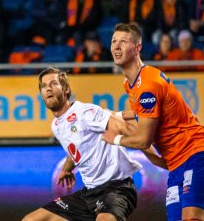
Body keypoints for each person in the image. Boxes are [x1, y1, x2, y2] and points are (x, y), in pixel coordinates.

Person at [104, 23, 204, 221]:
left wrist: (115, 139)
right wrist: (117, 114)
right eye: (114, 41)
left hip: (198, 153)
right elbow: (143, 112)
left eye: (123, 42)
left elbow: (143, 140)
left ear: (137, 48)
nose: (116, 46)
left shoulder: (148, 84)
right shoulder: (130, 83)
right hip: (177, 164)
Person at [22, 67, 165, 221]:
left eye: (53, 83)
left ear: (66, 89)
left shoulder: (85, 112)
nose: (48, 88)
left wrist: (154, 157)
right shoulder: (56, 125)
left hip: (117, 189)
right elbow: (75, 147)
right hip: (88, 194)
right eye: (44, 86)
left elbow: (124, 128)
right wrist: (67, 169)